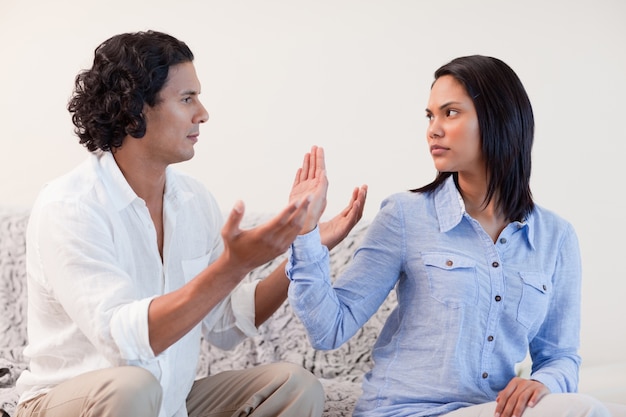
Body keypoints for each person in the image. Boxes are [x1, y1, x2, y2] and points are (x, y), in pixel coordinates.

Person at [15, 30, 366, 417]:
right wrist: (233, 266)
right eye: (187, 99)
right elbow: (124, 343)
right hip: (72, 404)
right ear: (134, 109)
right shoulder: (71, 206)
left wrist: (306, 249)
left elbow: (227, 322)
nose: (203, 113)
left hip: (167, 404)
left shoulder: (194, 201)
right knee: (132, 387)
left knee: (292, 386)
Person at [286, 55, 625, 417]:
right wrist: (306, 234)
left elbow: (560, 356)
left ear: (498, 119)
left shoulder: (556, 238)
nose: (433, 129)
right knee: (587, 412)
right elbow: (329, 330)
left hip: (489, 410)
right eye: (430, 115)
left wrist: (544, 384)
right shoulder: (405, 215)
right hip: (405, 411)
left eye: (450, 113)